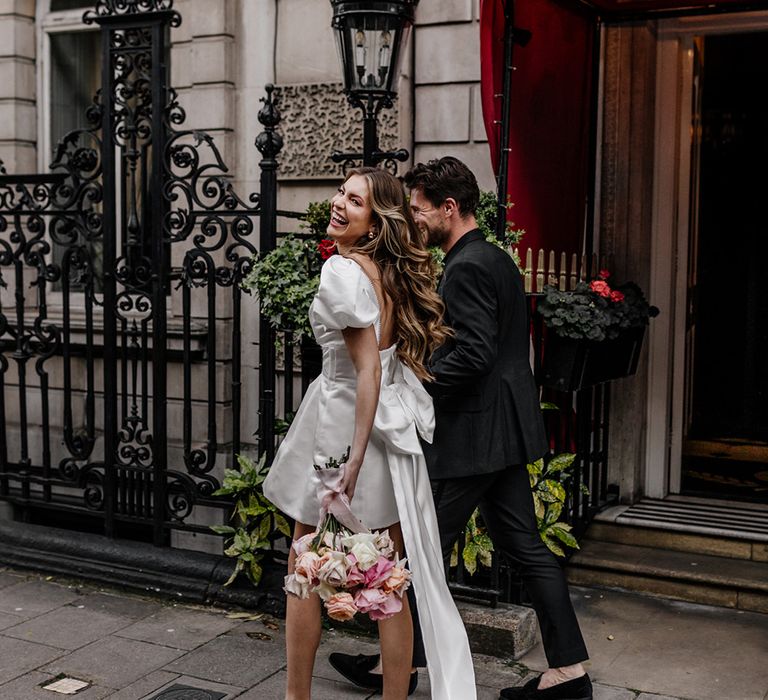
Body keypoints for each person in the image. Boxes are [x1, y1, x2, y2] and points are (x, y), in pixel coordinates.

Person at [329, 157, 592, 700]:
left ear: (450, 208)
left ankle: (399, 668)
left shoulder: (466, 266)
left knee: (420, 552)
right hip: (503, 431)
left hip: (475, 437)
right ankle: (570, 671)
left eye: (421, 210)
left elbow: (472, 354)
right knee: (524, 546)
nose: (415, 220)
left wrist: (412, 391)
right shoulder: (495, 258)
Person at [263, 167, 477, 700]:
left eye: (353, 201)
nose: (338, 203)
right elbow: (390, 362)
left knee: (303, 566)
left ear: (373, 222)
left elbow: (367, 370)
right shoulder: (385, 271)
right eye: (341, 192)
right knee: (392, 577)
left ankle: (296, 696)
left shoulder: (341, 271)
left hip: (342, 425)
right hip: (386, 429)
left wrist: (352, 460)